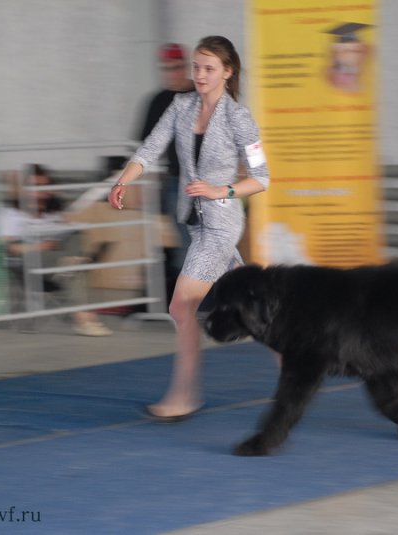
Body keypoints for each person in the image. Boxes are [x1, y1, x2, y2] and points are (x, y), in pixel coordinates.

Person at [109, 35, 270, 421]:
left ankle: (184, 395)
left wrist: (222, 189)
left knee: (182, 306)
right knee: (255, 306)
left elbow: (262, 178)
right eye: (196, 67)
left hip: (222, 224)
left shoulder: (239, 117)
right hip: (193, 221)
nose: (199, 75)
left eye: (208, 68)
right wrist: (123, 181)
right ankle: (294, 357)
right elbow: (150, 148)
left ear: (227, 73)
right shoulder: (181, 107)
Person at [0, 164, 113, 337]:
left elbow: (67, 230)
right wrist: (42, 246)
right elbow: (9, 248)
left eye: (45, 187)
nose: (40, 192)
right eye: (35, 187)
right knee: (74, 269)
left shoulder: (52, 209)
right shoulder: (10, 212)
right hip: (29, 258)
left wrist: (59, 206)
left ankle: (74, 270)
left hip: (57, 256)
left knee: (75, 237)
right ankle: (84, 319)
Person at [137, 43, 195, 299]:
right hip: (177, 181)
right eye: (166, 69)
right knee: (185, 245)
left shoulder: (204, 94)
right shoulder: (158, 101)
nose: (171, 74)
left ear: (186, 67)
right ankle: (192, 304)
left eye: (176, 68)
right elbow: (144, 144)